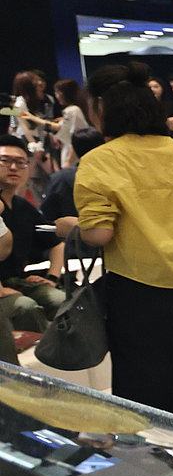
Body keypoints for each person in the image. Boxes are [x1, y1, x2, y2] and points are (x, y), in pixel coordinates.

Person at [60, 62, 173, 428]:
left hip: (141, 298)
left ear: (102, 107)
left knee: (147, 409)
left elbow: (100, 234)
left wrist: (72, 228)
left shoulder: (99, 161)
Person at [0, 135, 66, 334]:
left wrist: (52, 276)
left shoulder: (24, 207)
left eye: (21, 163)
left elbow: (56, 243)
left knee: (61, 301)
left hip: (18, 280)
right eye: (5, 161)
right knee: (25, 307)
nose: (14, 168)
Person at [51, 78, 87, 170]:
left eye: (58, 92)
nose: (56, 96)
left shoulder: (73, 110)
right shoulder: (75, 109)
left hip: (72, 156)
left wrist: (68, 162)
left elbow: (75, 138)